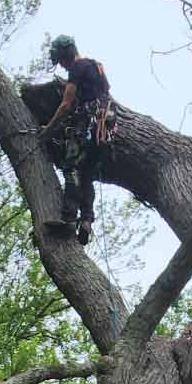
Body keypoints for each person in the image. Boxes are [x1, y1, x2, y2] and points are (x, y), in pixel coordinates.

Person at [38, 34, 116, 245]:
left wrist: (49, 130)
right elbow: (105, 93)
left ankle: (68, 218)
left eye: (61, 60)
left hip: (87, 127)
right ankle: (87, 220)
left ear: (66, 55)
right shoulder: (96, 67)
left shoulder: (77, 68)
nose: (62, 66)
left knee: (70, 168)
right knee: (87, 175)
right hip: (104, 132)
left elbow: (65, 105)